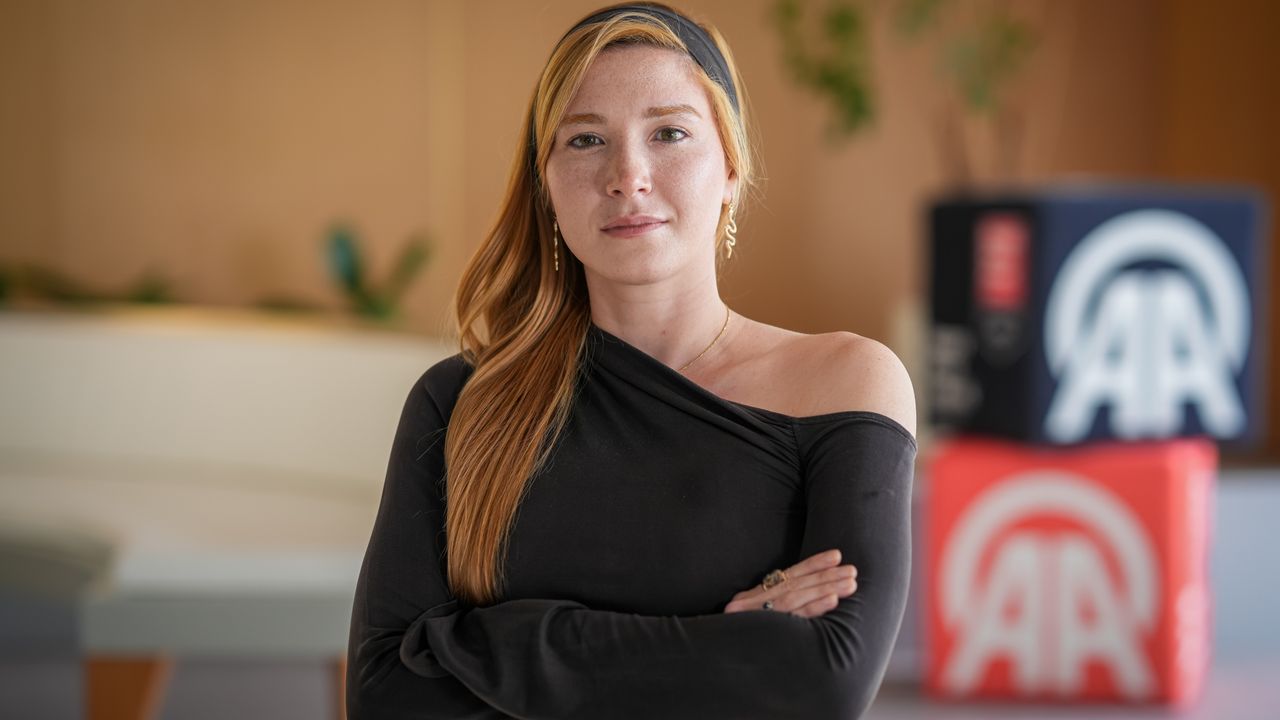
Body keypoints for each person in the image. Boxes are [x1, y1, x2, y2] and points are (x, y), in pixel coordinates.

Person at [346, 3, 916, 718]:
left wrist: (491, 643)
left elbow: (826, 682)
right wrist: (725, 638)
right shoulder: (461, 401)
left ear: (731, 168)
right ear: (546, 187)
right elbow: (385, 695)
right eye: (586, 140)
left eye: (669, 133)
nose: (628, 176)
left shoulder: (844, 381)